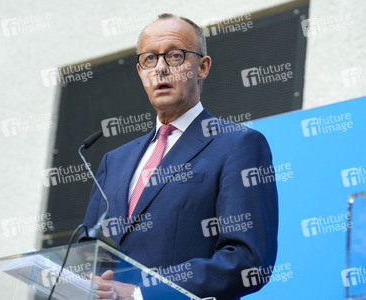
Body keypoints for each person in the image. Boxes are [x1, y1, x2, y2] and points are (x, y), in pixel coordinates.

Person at [83, 13, 278, 300]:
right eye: (150, 59)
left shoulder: (239, 145)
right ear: (140, 72)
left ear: (202, 67)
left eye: (175, 56)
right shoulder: (114, 161)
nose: (160, 68)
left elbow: (247, 261)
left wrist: (142, 293)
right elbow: (86, 254)